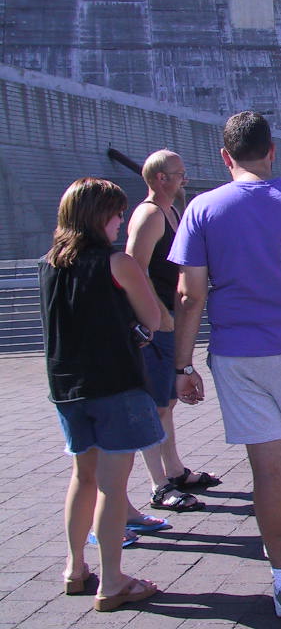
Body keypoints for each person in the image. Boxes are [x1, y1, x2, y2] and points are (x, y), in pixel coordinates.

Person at [170, 111, 281, 618]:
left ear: (225, 156)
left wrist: (182, 365)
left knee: (267, 466)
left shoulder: (202, 208)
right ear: (272, 150)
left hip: (239, 354)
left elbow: (190, 295)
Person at [39, 178, 163, 611]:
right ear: (98, 216)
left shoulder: (48, 263)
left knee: (83, 476)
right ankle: (113, 581)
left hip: (67, 386)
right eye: (116, 213)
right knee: (113, 486)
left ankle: (75, 568)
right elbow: (153, 318)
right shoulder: (117, 262)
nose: (120, 221)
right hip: (115, 383)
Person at [126, 150, 217, 517]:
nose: (185, 180)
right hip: (156, 325)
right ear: (160, 178)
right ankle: (158, 484)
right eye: (180, 174)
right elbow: (133, 269)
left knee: (168, 402)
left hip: (170, 320)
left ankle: (174, 470)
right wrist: (157, 316)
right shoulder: (149, 215)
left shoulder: (172, 212)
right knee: (156, 405)